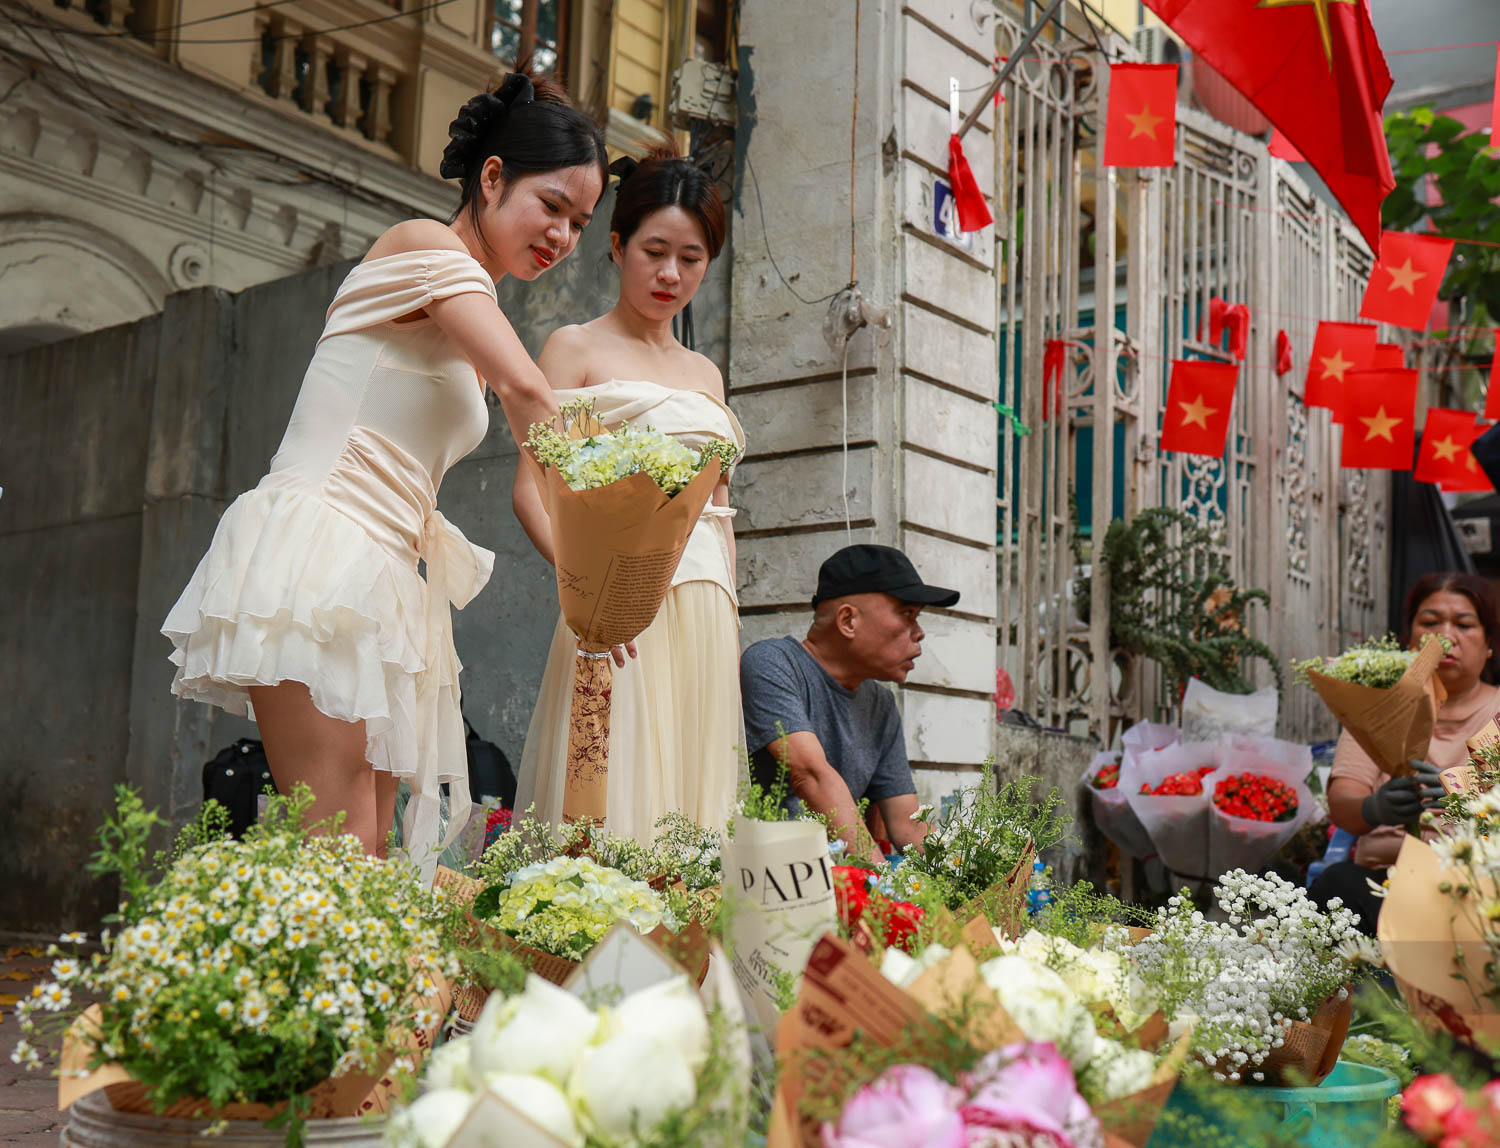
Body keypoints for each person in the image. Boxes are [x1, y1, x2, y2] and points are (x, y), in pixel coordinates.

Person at [161, 69, 608, 875]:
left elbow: (522, 424)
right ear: (493, 177)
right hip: (323, 550)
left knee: (368, 854)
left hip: (384, 580)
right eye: (552, 206)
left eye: (580, 221)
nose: (564, 236)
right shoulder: (423, 248)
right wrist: (618, 523)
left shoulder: (477, 312)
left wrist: (597, 581)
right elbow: (529, 393)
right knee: (336, 851)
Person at [512, 151, 744, 840]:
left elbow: (721, 513)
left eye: (692, 258)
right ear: (617, 247)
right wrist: (594, 602)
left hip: (703, 599)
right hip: (609, 611)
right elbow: (534, 491)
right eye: (655, 251)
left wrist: (731, 620)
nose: (671, 274)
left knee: (692, 810)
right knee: (610, 800)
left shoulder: (707, 373)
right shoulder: (573, 347)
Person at [739, 544, 957, 863]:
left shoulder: (881, 706)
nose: (920, 633)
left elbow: (907, 825)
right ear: (848, 621)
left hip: (840, 882)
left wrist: (968, 872)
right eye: (907, 614)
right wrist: (887, 891)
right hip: (769, 880)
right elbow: (810, 776)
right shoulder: (772, 664)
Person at [1309, 572, 1500, 933]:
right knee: (1335, 886)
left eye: (1464, 624)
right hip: (1384, 884)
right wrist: (1374, 807)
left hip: (1481, 888)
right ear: (1409, 639)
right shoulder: (1378, 705)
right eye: (1430, 622)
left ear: (1488, 642)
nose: (1445, 636)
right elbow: (1343, 803)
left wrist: (1468, 797)